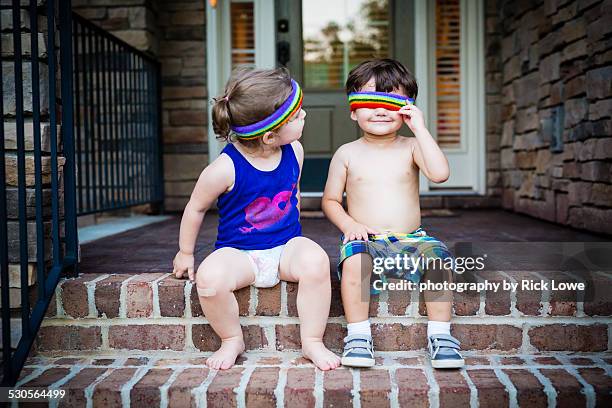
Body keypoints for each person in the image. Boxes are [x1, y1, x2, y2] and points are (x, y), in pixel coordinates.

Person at [173, 68, 340, 371]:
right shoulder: (224, 169)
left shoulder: (295, 152)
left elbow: (293, 194)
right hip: (240, 254)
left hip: (285, 248)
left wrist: (296, 235)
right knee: (210, 280)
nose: (304, 115)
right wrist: (186, 252)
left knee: (316, 261)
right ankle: (231, 337)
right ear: (270, 135)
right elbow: (195, 208)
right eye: (296, 115)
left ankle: (312, 340)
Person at [322, 58, 464, 369]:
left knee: (438, 259)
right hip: (367, 240)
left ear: (407, 108)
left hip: (412, 239)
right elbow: (331, 200)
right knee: (355, 262)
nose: (382, 110)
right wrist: (349, 223)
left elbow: (439, 174)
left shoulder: (412, 147)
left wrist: (421, 129)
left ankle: (440, 335)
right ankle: (358, 335)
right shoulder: (347, 153)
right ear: (353, 110)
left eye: (393, 101)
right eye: (371, 101)